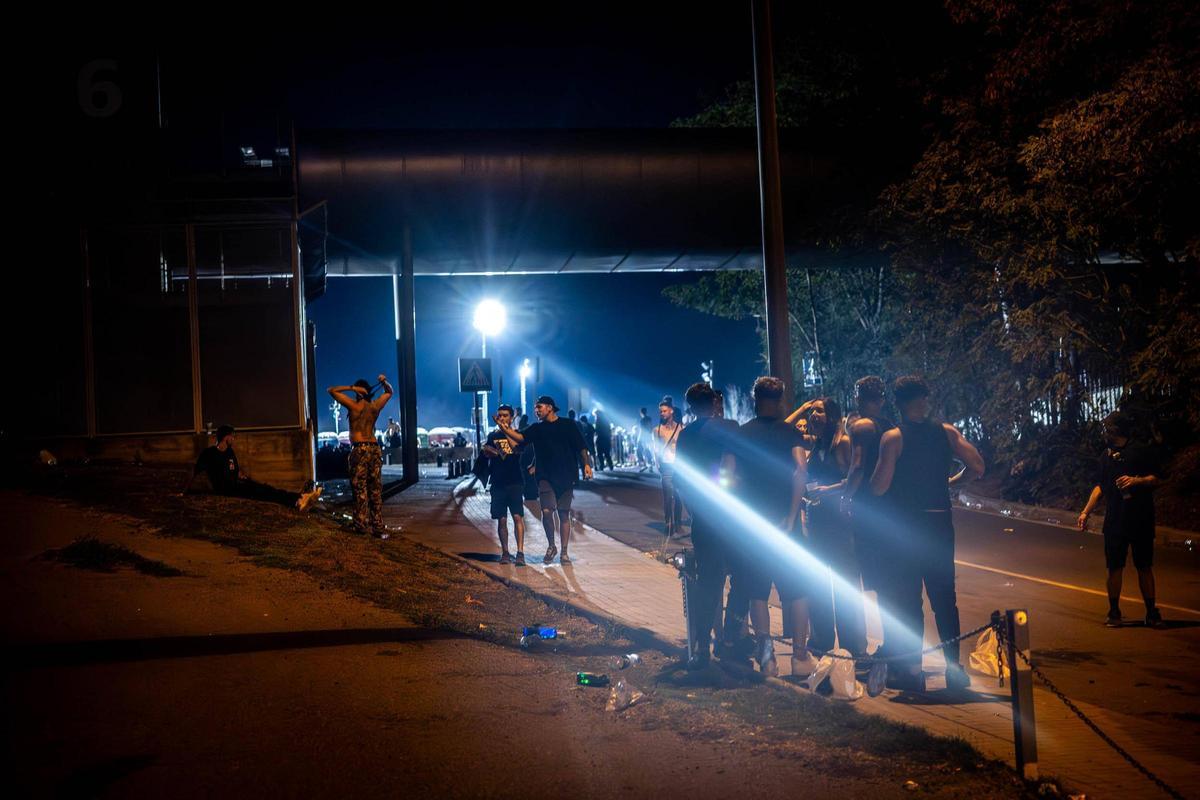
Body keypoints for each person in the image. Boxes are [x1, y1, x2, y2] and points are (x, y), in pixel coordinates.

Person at [871, 375, 984, 691]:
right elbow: (977, 466)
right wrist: (951, 482)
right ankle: (953, 669)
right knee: (945, 600)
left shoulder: (893, 438)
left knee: (909, 600)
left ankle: (912, 671)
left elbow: (879, 487)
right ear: (924, 399)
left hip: (907, 528)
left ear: (898, 403)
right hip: (938, 525)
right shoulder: (946, 433)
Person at [724, 376, 808, 677]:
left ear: (754, 399)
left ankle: (767, 658)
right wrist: (791, 513)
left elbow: (729, 478)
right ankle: (800, 659)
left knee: (757, 592)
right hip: (787, 525)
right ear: (781, 399)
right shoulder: (791, 434)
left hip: (754, 525)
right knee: (796, 591)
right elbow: (801, 470)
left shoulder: (741, 435)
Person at [1077, 411, 1167, 628]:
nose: (1105, 433)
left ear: (1117, 430)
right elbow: (1100, 486)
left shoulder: (1140, 451)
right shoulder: (1106, 456)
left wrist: (1136, 481)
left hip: (1140, 519)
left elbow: (1156, 478)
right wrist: (1085, 512)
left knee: (1144, 566)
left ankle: (1151, 612)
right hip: (1115, 520)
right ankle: (1114, 611)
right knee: (1114, 567)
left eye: (1108, 429)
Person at [797, 397, 867, 663]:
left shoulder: (843, 443)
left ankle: (853, 647)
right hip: (816, 521)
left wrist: (829, 490)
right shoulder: (817, 444)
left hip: (840, 523)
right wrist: (802, 409)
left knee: (845, 585)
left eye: (818, 410)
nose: (814, 415)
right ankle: (821, 641)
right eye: (812, 410)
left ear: (833, 416)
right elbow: (787, 430)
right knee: (819, 585)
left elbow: (856, 477)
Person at [675, 382, 740, 668]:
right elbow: (738, 470)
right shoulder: (731, 428)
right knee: (742, 578)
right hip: (734, 517)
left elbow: (680, 480)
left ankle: (703, 644)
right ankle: (731, 640)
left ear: (690, 407)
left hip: (704, 518)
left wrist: (695, 511)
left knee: (708, 583)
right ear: (715, 401)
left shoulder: (686, 435)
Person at [842, 376, 896, 689]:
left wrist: (846, 498)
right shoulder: (891, 425)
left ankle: (882, 647)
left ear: (859, 395)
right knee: (886, 579)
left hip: (867, 509)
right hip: (889, 506)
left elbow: (858, 466)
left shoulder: (861, 427)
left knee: (871, 579)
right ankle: (891, 644)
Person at [495, 396, 592, 564]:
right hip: (545, 476)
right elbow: (520, 438)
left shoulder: (568, 425)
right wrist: (504, 429)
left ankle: (564, 552)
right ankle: (551, 545)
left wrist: (586, 465)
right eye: (535, 408)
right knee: (547, 512)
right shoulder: (537, 429)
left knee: (563, 514)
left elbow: (581, 447)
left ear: (550, 408)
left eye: (539, 407)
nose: (536, 410)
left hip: (566, 476)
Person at [191, 425, 322, 511]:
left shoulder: (230, 452)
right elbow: (196, 472)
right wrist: (184, 492)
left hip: (237, 483)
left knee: (266, 488)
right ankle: (297, 501)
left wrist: (242, 476)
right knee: (263, 493)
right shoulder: (209, 453)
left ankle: (300, 497)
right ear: (226, 437)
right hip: (227, 489)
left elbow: (235, 470)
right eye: (232, 436)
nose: (234, 439)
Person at [329, 375, 394, 537]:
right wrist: (384, 382)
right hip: (374, 449)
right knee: (375, 489)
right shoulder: (375, 406)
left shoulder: (353, 406)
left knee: (360, 489)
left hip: (359, 449)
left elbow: (331, 390)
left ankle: (361, 524)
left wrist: (352, 388)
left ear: (359, 392)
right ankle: (377, 526)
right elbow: (389, 392)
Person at [483, 404, 527, 566]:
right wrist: (490, 451)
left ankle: (520, 552)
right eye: (499, 415)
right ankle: (505, 552)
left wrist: (505, 432)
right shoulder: (492, 436)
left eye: (505, 416)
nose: (502, 418)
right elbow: (487, 451)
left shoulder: (518, 435)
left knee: (517, 517)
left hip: (515, 481)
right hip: (498, 482)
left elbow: (516, 451)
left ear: (511, 417)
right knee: (501, 520)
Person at [652, 400, 684, 537]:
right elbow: (655, 449)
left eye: (664, 411)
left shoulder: (681, 429)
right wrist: (657, 463)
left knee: (678, 496)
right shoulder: (657, 430)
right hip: (666, 467)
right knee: (667, 496)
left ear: (671, 411)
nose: (662, 413)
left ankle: (677, 522)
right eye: (660, 411)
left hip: (679, 467)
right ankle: (668, 523)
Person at [578, 413, 597, 479]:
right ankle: (595, 465)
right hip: (590, 442)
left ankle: (587, 469)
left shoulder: (582, 425)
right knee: (592, 454)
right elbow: (594, 432)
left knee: (585, 456)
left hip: (585, 442)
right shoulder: (590, 425)